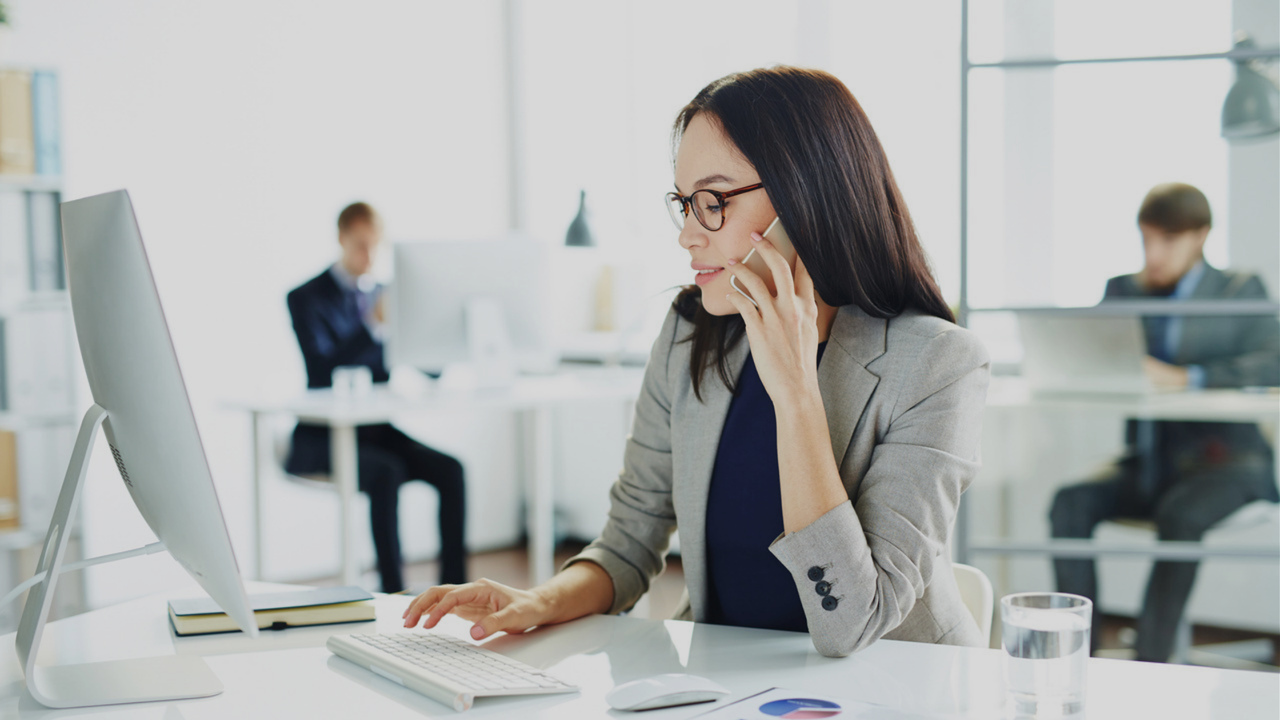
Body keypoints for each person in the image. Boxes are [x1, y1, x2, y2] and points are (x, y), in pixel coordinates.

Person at [402, 67, 991, 658]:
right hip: (727, 686)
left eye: (712, 203)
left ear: (804, 200)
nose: (687, 235)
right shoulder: (693, 332)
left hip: (897, 691)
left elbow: (853, 626)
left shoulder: (939, 366)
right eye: (684, 204)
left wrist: (795, 395)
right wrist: (539, 602)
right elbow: (629, 542)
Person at [1049, 182, 1280, 663]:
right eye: (1146, 239)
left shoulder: (1241, 288)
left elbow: (1271, 362)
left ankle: (1151, 665)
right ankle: (1078, 660)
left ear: (1200, 236)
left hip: (1231, 466)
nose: (1153, 254)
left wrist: (1185, 378)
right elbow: (1090, 356)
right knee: (1069, 505)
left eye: (1167, 241)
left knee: (1181, 514)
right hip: (1153, 462)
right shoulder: (1123, 290)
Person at [285, 202, 468, 593]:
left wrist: (436, 323)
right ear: (341, 239)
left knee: (451, 470)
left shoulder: (387, 296)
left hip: (375, 431)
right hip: (322, 437)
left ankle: (454, 590)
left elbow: (431, 369)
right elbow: (321, 370)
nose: (368, 256)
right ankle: (395, 594)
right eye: (360, 245)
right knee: (387, 472)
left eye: (375, 246)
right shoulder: (305, 298)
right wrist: (372, 324)